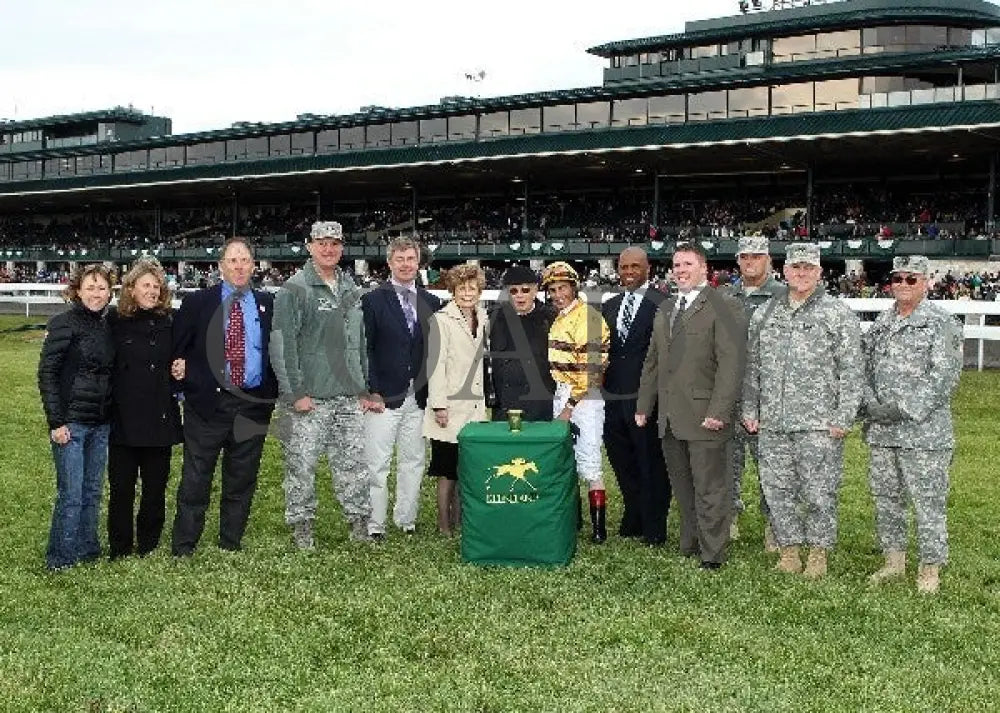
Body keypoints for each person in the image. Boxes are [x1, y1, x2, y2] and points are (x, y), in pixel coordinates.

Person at [742, 242, 862, 579]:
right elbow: (752, 366)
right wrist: (750, 407)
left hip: (818, 424)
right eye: (796, 268)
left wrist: (844, 416)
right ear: (785, 270)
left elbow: (852, 370)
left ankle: (819, 553)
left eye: (809, 268)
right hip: (774, 421)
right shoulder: (766, 313)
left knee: (819, 490)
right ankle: (790, 550)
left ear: (820, 272)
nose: (802, 274)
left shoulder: (837, 313)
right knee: (777, 489)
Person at [635, 243, 747, 570]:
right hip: (670, 416)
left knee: (710, 488)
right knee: (683, 486)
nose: (680, 270)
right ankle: (691, 542)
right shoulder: (666, 308)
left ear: (703, 268)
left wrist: (719, 411)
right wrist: (645, 405)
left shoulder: (724, 305)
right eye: (676, 265)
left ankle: (713, 553)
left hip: (705, 416)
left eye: (687, 264)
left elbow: (731, 363)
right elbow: (653, 362)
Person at [170, 237, 278, 556]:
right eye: (233, 260)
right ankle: (185, 544)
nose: (239, 266)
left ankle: (230, 541)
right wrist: (183, 383)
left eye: (245, 260)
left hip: (253, 405)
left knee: (242, 477)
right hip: (207, 405)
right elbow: (177, 349)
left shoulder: (268, 304)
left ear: (253, 266)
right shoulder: (197, 303)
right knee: (196, 477)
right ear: (221, 267)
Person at [862, 255, 963, 594]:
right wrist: (870, 405)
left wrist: (902, 409)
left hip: (924, 433)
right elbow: (864, 368)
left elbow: (944, 377)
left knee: (928, 501)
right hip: (882, 431)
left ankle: (930, 568)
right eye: (898, 278)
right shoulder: (881, 322)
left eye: (912, 279)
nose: (903, 285)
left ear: (926, 283)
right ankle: (893, 561)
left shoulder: (942, 323)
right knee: (886, 498)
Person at [269, 221, 371, 549]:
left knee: (353, 466)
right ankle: (302, 530)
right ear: (309, 246)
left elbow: (360, 341)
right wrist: (294, 393)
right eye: (322, 243)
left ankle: (358, 527)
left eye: (335, 243)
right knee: (301, 466)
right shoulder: (294, 289)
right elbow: (282, 345)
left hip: (347, 397)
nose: (329, 249)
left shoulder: (350, 288)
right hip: (310, 398)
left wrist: (363, 386)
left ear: (342, 248)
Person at [361, 236, 442, 539]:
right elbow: (364, 348)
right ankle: (375, 524)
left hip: (419, 397)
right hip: (382, 396)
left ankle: (406, 519)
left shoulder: (432, 303)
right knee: (377, 464)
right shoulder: (371, 300)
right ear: (389, 263)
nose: (406, 264)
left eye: (411, 259)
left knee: (413, 461)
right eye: (400, 259)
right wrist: (371, 389)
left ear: (418, 262)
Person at [37, 264, 115, 571]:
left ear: (110, 291)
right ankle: (61, 557)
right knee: (71, 492)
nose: (96, 294)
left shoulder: (109, 325)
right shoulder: (62, 323)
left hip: (101, 422)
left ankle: (87, 548)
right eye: (90, 287)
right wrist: (56, 421)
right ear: (77, 290)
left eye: (101, 288)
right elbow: (47, 374)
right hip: (70, 423)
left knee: (92, 490)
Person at [106, 258, 183, 559]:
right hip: (122, 417)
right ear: (131, 288)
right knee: (121, 488)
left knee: (155, 487)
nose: (152, 291)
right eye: (146, 285)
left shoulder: (171, 321)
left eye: (157, 286)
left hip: (159, 416)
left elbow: (185, 353)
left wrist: (182, 364)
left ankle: (149, 543)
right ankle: (120, 546)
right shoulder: (113, 320)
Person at [601, 247, 671, 545]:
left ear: (648, 268)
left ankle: (654, 526)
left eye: (634, 267)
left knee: (650, 463)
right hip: (613, 398)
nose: (628, 272)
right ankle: (634, 516)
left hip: (647, 398)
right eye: (623, 267)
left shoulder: (664, 303)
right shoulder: (610, 305)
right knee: (621, 460)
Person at [724, 235, 787, 548]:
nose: (750, 262)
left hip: (769, 394)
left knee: (771, 462)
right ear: (738, 260)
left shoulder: (784, 295)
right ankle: (729, 515)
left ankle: (775, 524)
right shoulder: (724, 296)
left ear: (768, 260)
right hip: (730, 392)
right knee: (728, 460)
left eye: (757, 257)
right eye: (745, 257)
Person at [542, 261, 610, 543]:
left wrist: (569, 406)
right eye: (553, 290)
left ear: (574, 287)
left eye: (563, 288)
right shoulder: (560, 317)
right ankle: (575, 519)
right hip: (563, 391)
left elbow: (591, 372)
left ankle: (599, 529)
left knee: (590, 461)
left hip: (584, 397)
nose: (558, 294)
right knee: (566, 458)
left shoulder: (590, 318)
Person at [424, 264, 489, 535]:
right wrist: (439, 405)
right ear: (452, 290)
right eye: (461, 288)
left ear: (479, 290)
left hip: (474, 407)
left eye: (471, 288)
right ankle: (443, 524)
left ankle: (462, 520)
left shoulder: (484, 317)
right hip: (448, 406)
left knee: (468, 469)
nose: (467, 293)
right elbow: (435, 365)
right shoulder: (440, 319)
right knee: (447, 470)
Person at [486, 265, 555, 423]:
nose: (519, 296)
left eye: (525, 290)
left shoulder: (550, 319)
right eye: (513, 291)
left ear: (535, 290)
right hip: (505, 405)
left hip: (541, 406)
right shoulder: (493, 319)